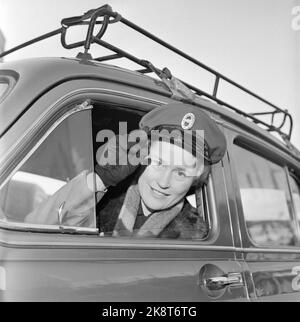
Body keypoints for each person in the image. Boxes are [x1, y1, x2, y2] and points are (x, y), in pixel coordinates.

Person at [25, 102, 227, 239]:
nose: (164, 182)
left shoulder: (197, 237)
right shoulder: (101, 202)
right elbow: (33, 229)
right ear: (141, 157)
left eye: (181, 173)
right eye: (158, 163)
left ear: (196, 180)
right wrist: (99, 179)